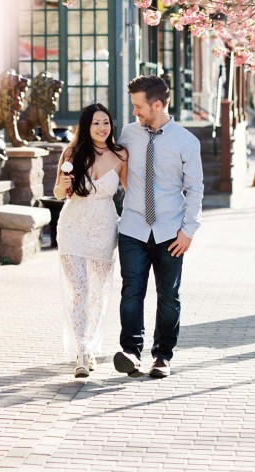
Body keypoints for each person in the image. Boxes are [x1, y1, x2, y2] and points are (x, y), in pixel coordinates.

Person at [113, 75, 203, 380]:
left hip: (170, 233)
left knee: (168, 296)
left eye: (139, 106)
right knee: (131, 292)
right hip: (133, 228)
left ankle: (162, 356)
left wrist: (188, 231)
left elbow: (195, 189)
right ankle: (131, 353)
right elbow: (116, 166)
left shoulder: (186, 142)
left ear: (157, 105)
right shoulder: (128, 134)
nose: (135, 112)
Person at [53, 102, 128, 379]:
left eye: (105, 122)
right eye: (96, 122)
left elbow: (130, 192)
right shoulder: (72, 152)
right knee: (80, 290)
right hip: (72, 225)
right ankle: (82, 352)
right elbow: (59, 193)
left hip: (104, 227)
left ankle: (92, 345)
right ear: (86, 126)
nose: (101, 127)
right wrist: (64, 184)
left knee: (97, 291)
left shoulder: (120, 155)